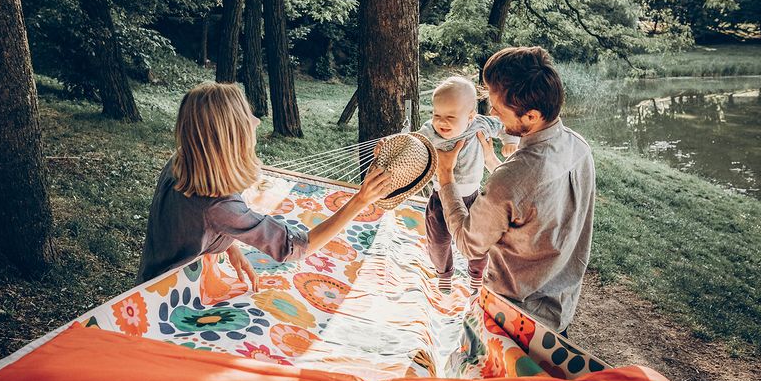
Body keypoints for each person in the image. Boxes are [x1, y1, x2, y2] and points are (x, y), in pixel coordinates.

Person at [137, 82, 391, 285]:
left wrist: (227, 243)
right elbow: (297, 246)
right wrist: (359, 201)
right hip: (167, 293)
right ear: (232, 135)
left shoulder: (184, 159)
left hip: (152, 276)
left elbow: (192, 224)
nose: (257, 121)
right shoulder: (221, 206)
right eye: (248, 117)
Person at [435, 47, 595, 334]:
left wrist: (446, 176)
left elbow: (468, 244)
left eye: (498, 108)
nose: (492, 113)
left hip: (511, 319)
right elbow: (536, 208)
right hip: (560, 310)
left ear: (531, 116)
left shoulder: (511, 180)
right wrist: (494, 163)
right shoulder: (579, 147)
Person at [416, 76, 519, 293]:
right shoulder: (430, 131)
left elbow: (507, 126)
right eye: (436, 115)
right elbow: (412, 143)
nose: (441, 122)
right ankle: (444, 274)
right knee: (437, 242)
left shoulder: (480, 124)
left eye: (450, 117)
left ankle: (476, 276)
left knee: (479, 243)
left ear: (470, 116)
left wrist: (511, 142)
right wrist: (391, 144)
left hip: (474, 198)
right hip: (439, 197)